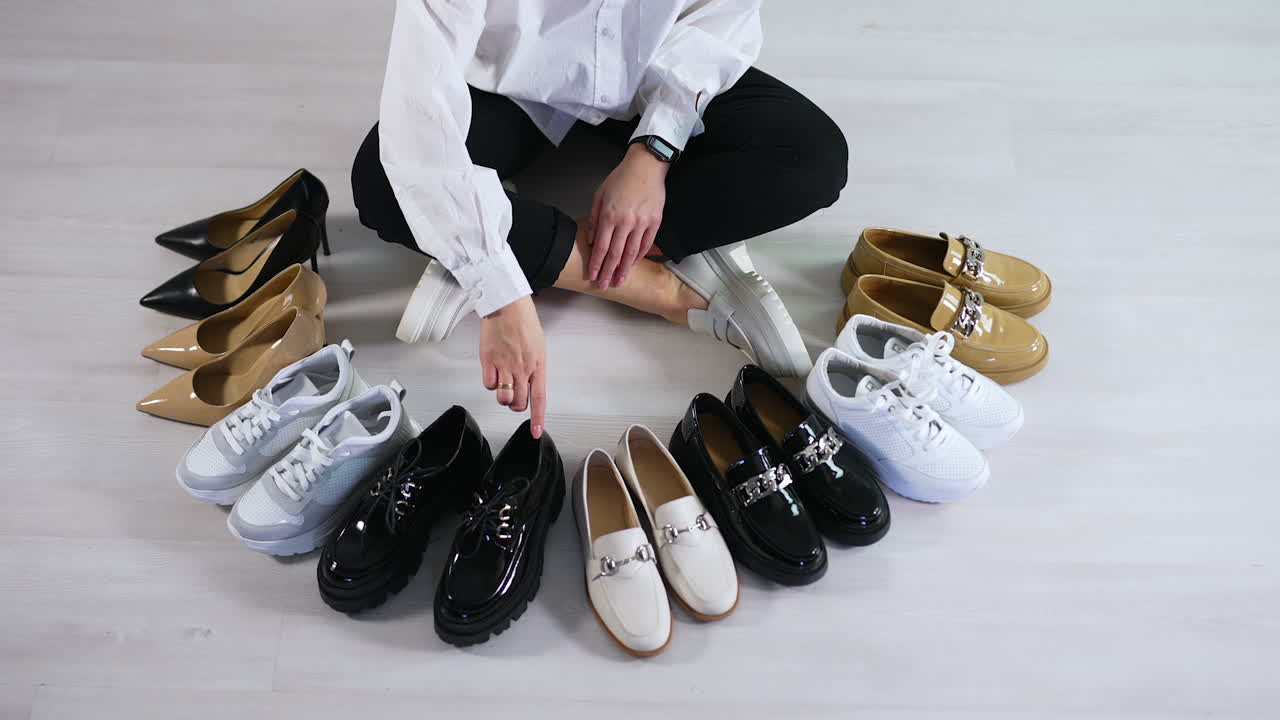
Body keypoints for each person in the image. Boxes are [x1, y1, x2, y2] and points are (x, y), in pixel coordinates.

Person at [351, 0, 849, 439]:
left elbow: (720, 14)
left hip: (651, 69)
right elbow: (418, 104)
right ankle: (667, 293)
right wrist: (502, 299)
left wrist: (653, 152)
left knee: (812, 157)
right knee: (382, 180)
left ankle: (503, 235)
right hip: (512, 78)